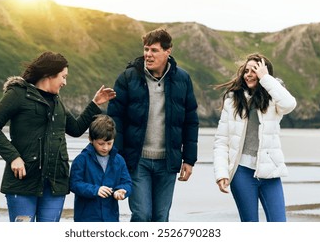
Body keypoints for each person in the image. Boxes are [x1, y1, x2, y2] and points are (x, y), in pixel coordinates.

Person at [0, 51, 116, 222]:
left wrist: (95, 104)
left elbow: (75, 129)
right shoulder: (18, 94)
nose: (65, 82)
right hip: (23, 181)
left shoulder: (57, 102)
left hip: (55, 182)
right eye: (63, 77)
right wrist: (13, 157)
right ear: (49, 74)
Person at [107, 28, 199, 222]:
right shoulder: (128, 78)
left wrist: (189, 159)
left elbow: (191, 121)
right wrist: (117, 159)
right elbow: (115, 120)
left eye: (154, 50)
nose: (148, 54)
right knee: (142, 215)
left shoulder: (182, 79)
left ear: (168, 51)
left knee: (161, 217)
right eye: (146, 49)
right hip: (137, 160)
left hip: (168, 162)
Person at [212, 53, 297, 222]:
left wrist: (265, 78)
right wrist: (221, 173)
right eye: (246, 71)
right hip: (241, 173)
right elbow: (221, 141)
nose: (249, 74)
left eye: (255, 71)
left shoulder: (273, 100)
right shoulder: (232, 101)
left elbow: (289, 104)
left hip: (270, 173)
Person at [69, 114, 132, 222]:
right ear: (90, 139)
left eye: (109, 143)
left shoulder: (119, 160)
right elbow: (74, 184)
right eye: (101, 143)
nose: (105, 147)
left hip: (110, 218)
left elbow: (127, 182)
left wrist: (122, 191)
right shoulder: (81, 160)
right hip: (86, 219)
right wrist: (95, 190)